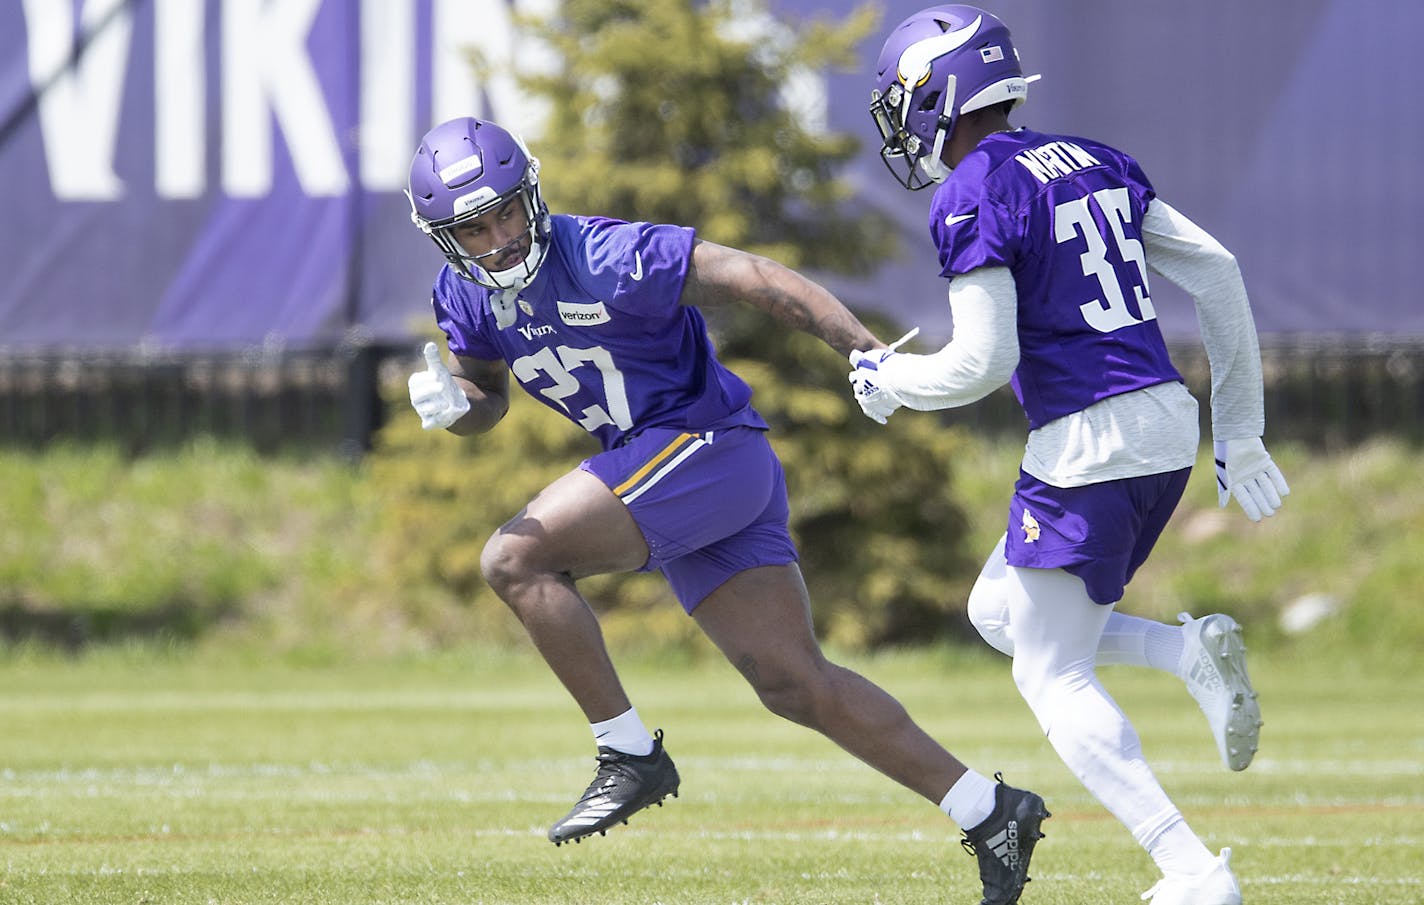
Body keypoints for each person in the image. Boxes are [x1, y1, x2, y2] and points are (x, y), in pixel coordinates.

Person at [403, 115, 1049, 904]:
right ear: (444, 237)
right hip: (680, 473)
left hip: (702, 447)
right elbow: (485, 398)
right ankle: (992, 811)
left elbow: (754, 277)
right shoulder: (462, 292)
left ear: (531, 194)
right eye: (474, 227)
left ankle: (627, 752)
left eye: (507, 210)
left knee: (514, 556)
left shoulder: (605, 254)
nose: (500, 236)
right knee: (794, 683)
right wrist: (452, 404)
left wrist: (866, 352)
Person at [851, 6, 1290, 905]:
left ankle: (1193, 871)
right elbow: (1220, 273)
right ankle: (1186, 656)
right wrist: (1237, 429)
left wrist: (893, 385)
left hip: (1089, 437)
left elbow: (983, 362)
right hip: (1164, 423)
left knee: (1051, 674)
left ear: (940, 90)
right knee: (996, 608)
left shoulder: (973, 188)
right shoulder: (1096, 158)